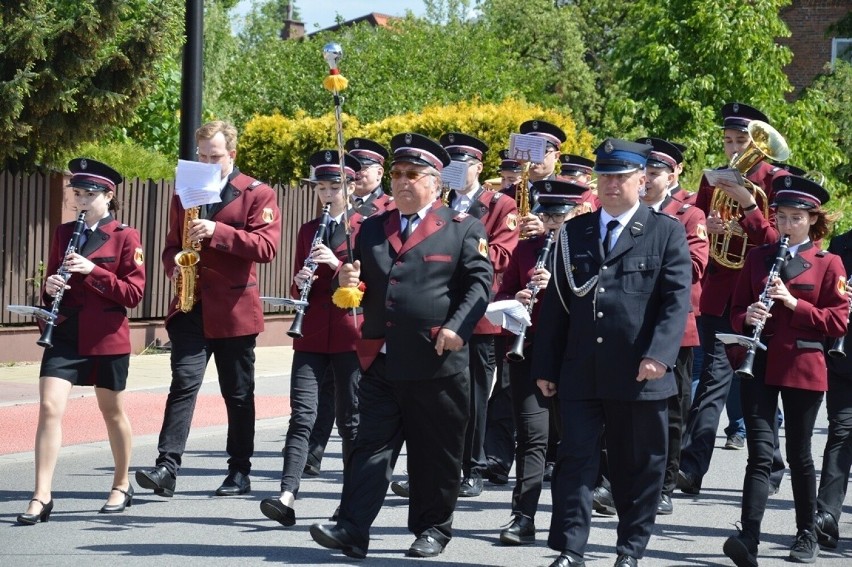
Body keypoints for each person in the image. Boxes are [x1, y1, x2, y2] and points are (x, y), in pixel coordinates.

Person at [309, 132, 492, 559]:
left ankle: (432, 529)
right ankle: (353, 528)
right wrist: (346, 280)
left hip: (437, 361)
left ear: (435, 182)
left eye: (413, 174)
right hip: (382, 359)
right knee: (370, 447)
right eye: (397, 173)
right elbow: (359, 279)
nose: (402, 181)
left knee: (435, 454)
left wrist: (456, 328)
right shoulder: (372, 227)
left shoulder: (462, 227)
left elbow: (480, 285)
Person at [532, 138, 692, 567]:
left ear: (642, 180)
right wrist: (545, 365)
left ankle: (629, 550)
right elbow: (557, 307)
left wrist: (659, 355)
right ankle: (570, 549)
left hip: (639, 373)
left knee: (637, 467)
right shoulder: (574, 232)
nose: (611, 185)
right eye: (605, 177)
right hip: (582, 370)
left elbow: (676, 302)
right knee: (575, 461)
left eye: (621, 177)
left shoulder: (665, 231)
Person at [135, 120, 282, 497]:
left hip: (234, 308)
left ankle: (239, 470)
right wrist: (173, 267)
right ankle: (166, 467)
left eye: (213, 156)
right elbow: (171, 245)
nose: (205, 161)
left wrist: (219, 233)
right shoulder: (188, 189)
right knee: (183, 384)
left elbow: (266, 248)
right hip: (191, 305)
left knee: (237, 392)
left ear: (231, 155)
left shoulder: (256, 193)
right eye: (201, 155)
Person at [722, 175, 848, 566]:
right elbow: (736, 310)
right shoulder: (759, 257)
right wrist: (749, 316)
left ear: (812, 220)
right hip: (757, 362)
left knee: (799, 454)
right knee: (760, 454)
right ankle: (749, 537)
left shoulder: (829, 264)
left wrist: (793, 303)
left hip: (803, 366)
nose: (788, 224)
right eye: (782, 216)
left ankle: (807, 533)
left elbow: (838, 321)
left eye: (797, 218)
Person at [17, 158, 146, 524]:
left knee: (112, 412)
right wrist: (49, 287)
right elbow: (55, 281)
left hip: (107, 337)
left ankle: (122, 483)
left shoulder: (125, 235)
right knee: (49, 408)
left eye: (90, 194)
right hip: (67, 333)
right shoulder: (63, 233)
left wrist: (93, 271)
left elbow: (133, 294)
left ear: (109, 195)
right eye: (77, 194)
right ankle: (42, 495)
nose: (82, 200)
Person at [678, 102, 789, 496]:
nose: (734, 149)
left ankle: (771, 469)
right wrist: (707, 225)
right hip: (720, 294)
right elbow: (696, 225)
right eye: (728, 141)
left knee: (757, 386)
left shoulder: (778, 180)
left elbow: (779, 243)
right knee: (711, 384)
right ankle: (690, 470)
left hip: (758, 298)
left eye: (742, 141)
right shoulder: (714, 178)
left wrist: (746, 204)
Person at [260, 150, 363, 527]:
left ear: (350, 188)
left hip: (350, 335)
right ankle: (286, 493)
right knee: (302, 415)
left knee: (351, 421)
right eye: (321, 187)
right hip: (311, 332)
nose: (326, 194)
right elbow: (295, 280)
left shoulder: (365, 226)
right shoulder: (308, 229)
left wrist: (336, 265)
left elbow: (370, 285)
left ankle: (351, 499)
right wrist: (301, 280)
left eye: (334, 186)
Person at [496, 179, 594, 545]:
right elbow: (502, 291)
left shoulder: (586, 251)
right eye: (547, 216)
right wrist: (518, 294)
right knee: (531, 437)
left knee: (573, 441)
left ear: (574, 215)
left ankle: (568, 521)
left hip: (573, 354)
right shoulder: (526, 251)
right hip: (531, 349)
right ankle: (522, 517)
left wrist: (556, 286)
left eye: (559, 216)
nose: (552, 224)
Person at [305, 138, 390, 478]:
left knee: (352, 399)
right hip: (323, 318)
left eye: (364, 167)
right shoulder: (319, 222)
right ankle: (311, 450)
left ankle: (358, 463)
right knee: (322, 390)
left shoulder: (380, 213)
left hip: (357, 316)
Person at [441, 131, 519, 498]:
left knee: (473, 396)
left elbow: (503, 255)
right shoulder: (438, 202)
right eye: (450, 165)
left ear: (478, 167)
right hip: (438, 310)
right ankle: (438, 466)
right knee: (437, 396)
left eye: (463, 165)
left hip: (478, 312)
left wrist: (455, 251)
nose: (455, 172)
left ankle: (473, 466)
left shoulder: (499, 205)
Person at [639, 138, 708, 515]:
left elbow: (695, 266)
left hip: (675, 326)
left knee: (674, 408)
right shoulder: (628, 212)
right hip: (631, 325)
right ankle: (617, 480)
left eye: (654, 174)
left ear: (672, 175)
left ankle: (665, 483)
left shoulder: (689, 214)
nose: (647, 180)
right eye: (644, 173)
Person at [815, 226, 852, 550]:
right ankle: (825, 518)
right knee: (840, 434)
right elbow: (827, 298)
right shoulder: (842, 244)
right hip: (845, 361)